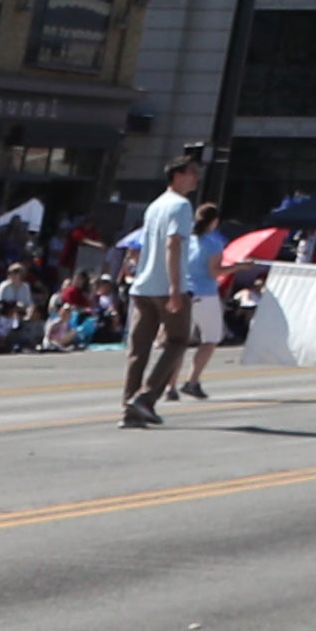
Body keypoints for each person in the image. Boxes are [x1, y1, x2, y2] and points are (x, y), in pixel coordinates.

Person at [116, 153, 202, 429]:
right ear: (178, 175)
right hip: (167, 286)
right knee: (178, 340)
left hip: (143, 285)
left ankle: (129, 409)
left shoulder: (155, 205)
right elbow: (173, 244)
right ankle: (146, 396)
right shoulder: (181, 206)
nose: (196, 178)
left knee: (138, 349)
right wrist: (176, 288)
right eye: (192, 172)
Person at [177, 215, 229, 403]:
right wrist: (238, 267)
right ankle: (192, 380)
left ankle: (169, 386)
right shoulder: (214, 243)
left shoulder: (186, 240)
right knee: (211, 338)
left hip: (184, 290)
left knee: (180, 341)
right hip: (205, 293)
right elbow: (214, 272)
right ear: (213, 222)